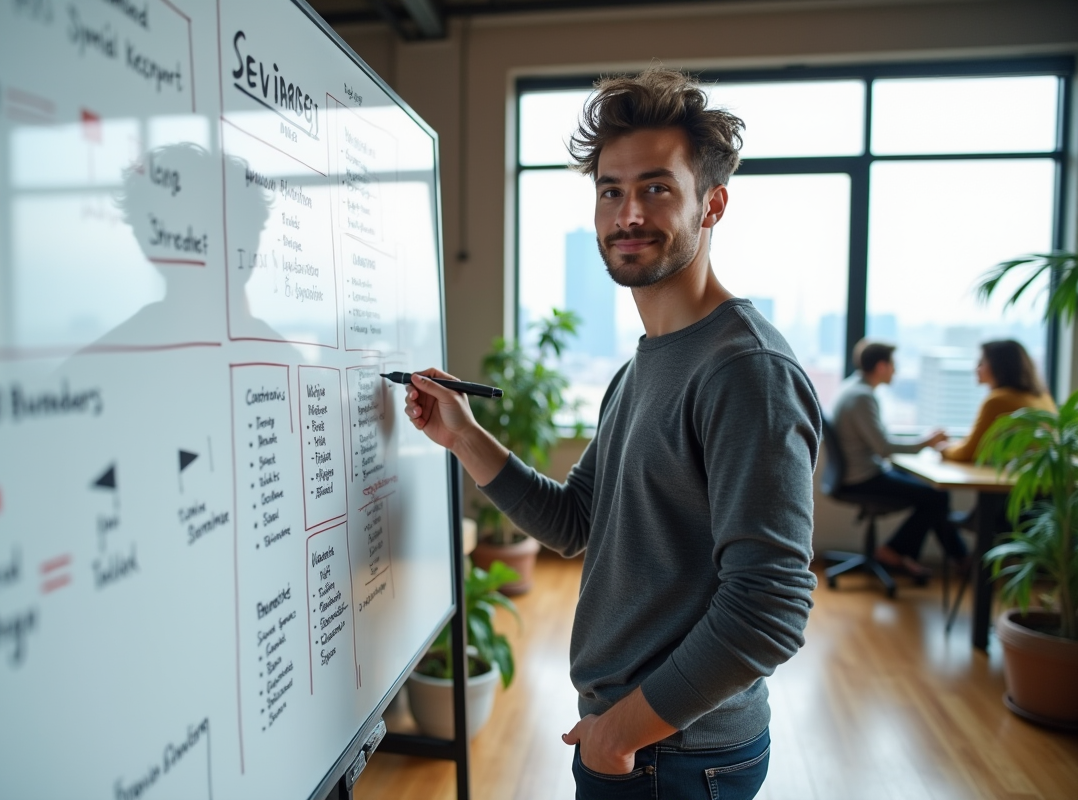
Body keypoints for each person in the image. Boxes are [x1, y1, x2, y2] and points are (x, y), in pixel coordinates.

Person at [402, 67, 819, 800]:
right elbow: (574, 521)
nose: (628, 214)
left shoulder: (745, 371)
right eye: (610, 191)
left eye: (657, 188)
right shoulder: (644, 364)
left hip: (671, 752)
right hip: (643, 742)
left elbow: (771, 607)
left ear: (713, 203)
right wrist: (464, 436)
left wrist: (621, 733)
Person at [831, 340, 967, 578]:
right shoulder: (862, 397)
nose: (896, 370)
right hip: (863, 478)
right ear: (881, 366)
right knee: (936, 496)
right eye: (894, 364)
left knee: (935, 494)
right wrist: (927, 442)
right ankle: (900, 552)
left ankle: (954, 558)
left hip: (857, 472)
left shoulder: (852, 387)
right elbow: (884, 448)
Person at [940, 339, 1056, 462]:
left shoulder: (998, 401)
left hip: (1010, 472)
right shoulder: (1043, 397)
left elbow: (969, 452)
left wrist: (943, 448)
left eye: (981, 362)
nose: (976, 368)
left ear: (998, 365)